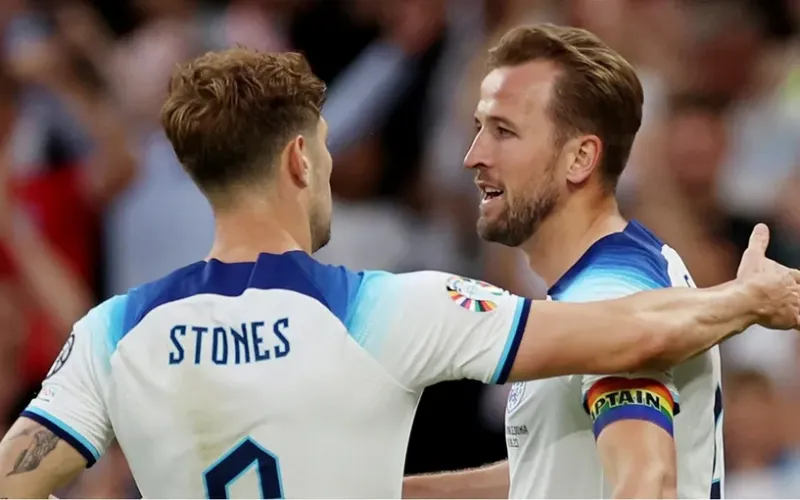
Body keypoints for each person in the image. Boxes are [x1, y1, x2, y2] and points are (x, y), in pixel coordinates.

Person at [0, 49, 797, 500]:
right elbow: (631, 332)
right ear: (299, 159)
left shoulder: (110, 333)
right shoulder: (390, 307)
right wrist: (749, 298)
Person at [399, 24, 759, 499]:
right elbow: (552, 472)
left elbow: (648, 482)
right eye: (479, 129)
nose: (473, 156)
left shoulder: (610, 295)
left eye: (504, 132)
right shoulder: (604, 282)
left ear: (580, 159)